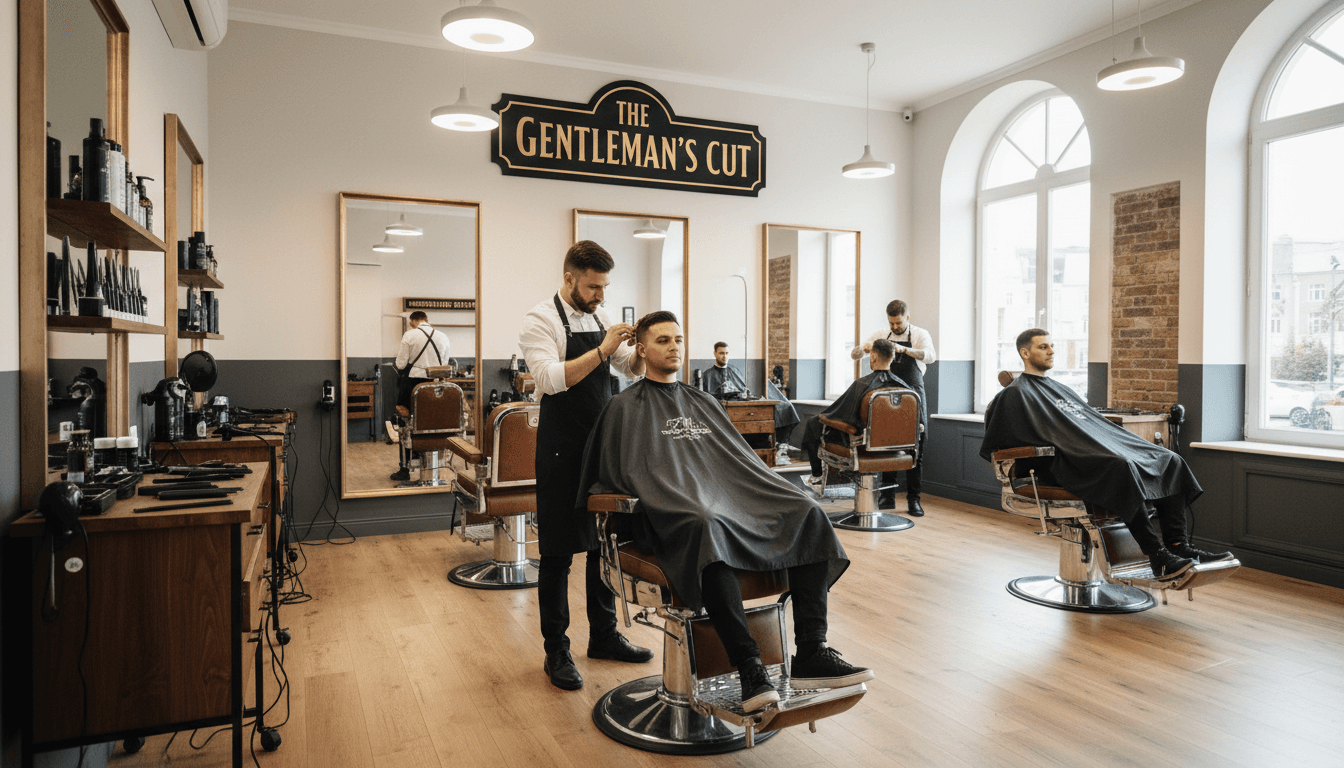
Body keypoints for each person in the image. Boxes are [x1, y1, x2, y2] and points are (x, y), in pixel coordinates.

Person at [577, 311, 875, 712]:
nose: (673, 346)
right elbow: (616, 475)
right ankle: (750, 666)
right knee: (706, 524)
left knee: (806, 510)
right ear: (642, 349)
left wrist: (750, 497)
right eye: (663, 340)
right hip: (670, 517)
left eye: (678, 339)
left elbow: (740, 464)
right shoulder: (623, 407)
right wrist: (678, 498)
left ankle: (811, 650)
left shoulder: (703, 402)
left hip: (722, 503)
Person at [980, 329, 1234, 578]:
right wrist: (1075, 447)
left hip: (1087, 453)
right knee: (1119, 466)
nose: (1051, 351)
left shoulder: (1061, 388)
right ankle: (1157, 556)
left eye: (1052, 345)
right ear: (1025, 352)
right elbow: (1012, 439)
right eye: (1043, 347)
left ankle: (1179, 546)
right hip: (1060, 463)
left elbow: (1087, 423)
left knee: (1170, 460)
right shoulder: (1014, 394)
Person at [518, 240, 654, 691]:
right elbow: (549, 379)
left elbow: (630, 369)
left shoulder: (597, 319)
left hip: (602, 447)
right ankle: (556, 649)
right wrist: (602, 349)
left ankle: (604, 635)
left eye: (605, 287)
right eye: (594, 287)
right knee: (557, 553)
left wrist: (640, 348)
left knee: (602, 547)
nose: (601, 296)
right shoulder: (540, 318)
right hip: (560, 448)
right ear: (571, 278)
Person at [799, 340, 917, 494]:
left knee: (815, 422)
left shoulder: (862, 385)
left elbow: (838, 415)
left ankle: (817, 476)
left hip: (862, 450)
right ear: (893, 357)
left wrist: (823, 418)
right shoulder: (906, 389)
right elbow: (917, 425)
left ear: (873, 357)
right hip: (896, 451)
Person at [852, 300, 936, 516]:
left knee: (916, 445)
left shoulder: (919, 334)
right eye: (892, 323)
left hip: (912, 394)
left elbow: (930, 356)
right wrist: (864, 348)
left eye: (898, 323)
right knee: (886, 441)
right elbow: (855, 354)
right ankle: (887, 495)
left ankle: (913, 499)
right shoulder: (882, 332)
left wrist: (904, 350)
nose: (895, 327)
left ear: (907, 318)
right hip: (886, 393)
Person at [701, 341, 801, 462]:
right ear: (715, 354)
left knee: (783, 407)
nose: (724, 356)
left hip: (743, 404)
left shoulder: (735, 371)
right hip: (728, 408)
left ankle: (778, 447)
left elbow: (744, 390)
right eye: (721, 353)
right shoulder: (708, 375)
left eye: (727, 353)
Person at [389, 311, 450, 483]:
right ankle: (432, 465)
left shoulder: (410, 335)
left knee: (406, 425)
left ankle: (405, 467)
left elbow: (400, 364)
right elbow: (444, 365)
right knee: (430, 423)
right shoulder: (443, 337)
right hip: (435, 387)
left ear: (413, 321)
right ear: (427, 320)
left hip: (413, 386)